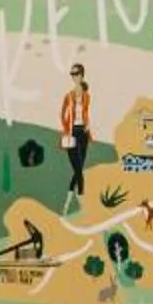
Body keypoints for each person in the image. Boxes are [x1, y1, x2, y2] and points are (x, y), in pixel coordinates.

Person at [60, 63, 92, 206]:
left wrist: (88, 125)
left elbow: (86, 113)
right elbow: (62, 114)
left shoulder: (86, 96)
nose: (73, 76)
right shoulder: (69, 96)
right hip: (72, 132)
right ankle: (81, 195)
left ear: (81, 75)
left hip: (83, 132)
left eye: (76, 73)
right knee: (77, 167)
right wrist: (66, 128)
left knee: (80, 166)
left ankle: (69, 196)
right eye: (72, 74)